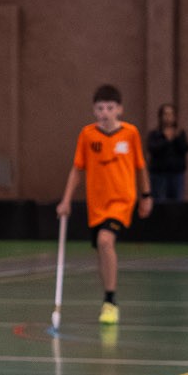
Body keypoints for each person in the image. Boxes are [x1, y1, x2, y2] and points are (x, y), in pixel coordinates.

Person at [55, 83, 151, 326]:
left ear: (119, 109)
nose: (105, 113)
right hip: (96, 205)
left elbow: (140, 167)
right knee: (101, 249)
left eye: (109, 108)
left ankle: (110, 301)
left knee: (105, 241)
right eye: (100, 108)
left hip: (122, 200)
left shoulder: (130, 133)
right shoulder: (87, 135)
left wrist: (146, 195)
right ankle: (108, 296)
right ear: (94, 110)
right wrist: (66, 200)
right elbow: (77, 170)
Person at [146, 102, 188, 202]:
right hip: (159, 174)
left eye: (171, 114)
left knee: (177, 202)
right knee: (160, 202)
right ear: (161, 116)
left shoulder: (180, 133)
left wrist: (176, 138)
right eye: (165, 114)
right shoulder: (155, 134)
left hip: (177, 174)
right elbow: (152, 149)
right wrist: (166, 140)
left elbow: (185, 149)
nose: (168, 117)